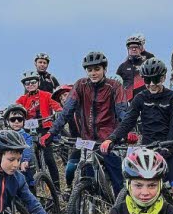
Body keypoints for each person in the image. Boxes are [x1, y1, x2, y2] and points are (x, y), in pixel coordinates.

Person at [103, 56, 173, 214]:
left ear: (163, 78)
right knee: (142, 194)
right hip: (148, 151)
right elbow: (128, 121)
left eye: (156, 80)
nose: (152, 84)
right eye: (148, 80)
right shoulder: (140, 98)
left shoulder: (172, 97)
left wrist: (167, 149)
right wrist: (112, 139)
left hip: (169, 148)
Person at [42, 51, 127, 195]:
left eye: (97, 69)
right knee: (87, 178)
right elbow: (67, 110)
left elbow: (122, 112)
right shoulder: (80, 85)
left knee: (118, 181)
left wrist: (126, 131)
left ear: (104, 69)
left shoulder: (114, 86)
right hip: (87, 142)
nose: (93, 73)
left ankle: (122, 210)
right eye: (90, 70)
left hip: (108, 140)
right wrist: (51, 132)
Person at [17, 70, 63, 183]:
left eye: (33, 82)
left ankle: (56, 187)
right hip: (28, 130)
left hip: (44, 127)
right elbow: (14, 108)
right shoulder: (23, 99)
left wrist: (58, 111)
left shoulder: (46, 95)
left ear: (38, 82)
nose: (30, 85)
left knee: (49, 158)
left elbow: (56, 106)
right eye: (27, 83)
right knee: (30, 157)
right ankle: (31, 185)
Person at [0, 104, 34, 175]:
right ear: (8, 121)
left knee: (27, 177)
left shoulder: (27, 136)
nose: (16, 122)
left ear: (23, 121)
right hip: (7, 166)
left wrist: (25, 160)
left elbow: (27, 148)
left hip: (22, 165)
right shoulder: (4, 136)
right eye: (13, 120)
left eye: (19, 119)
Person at [116, 33, 154, 98]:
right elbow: (117, 85)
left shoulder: (148, 64)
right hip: (127, 101)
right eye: (131, 47)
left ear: (140, 49)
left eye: (136, 47)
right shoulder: (122, 67)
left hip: (146, 99)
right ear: (128, 49)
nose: (134, 49)